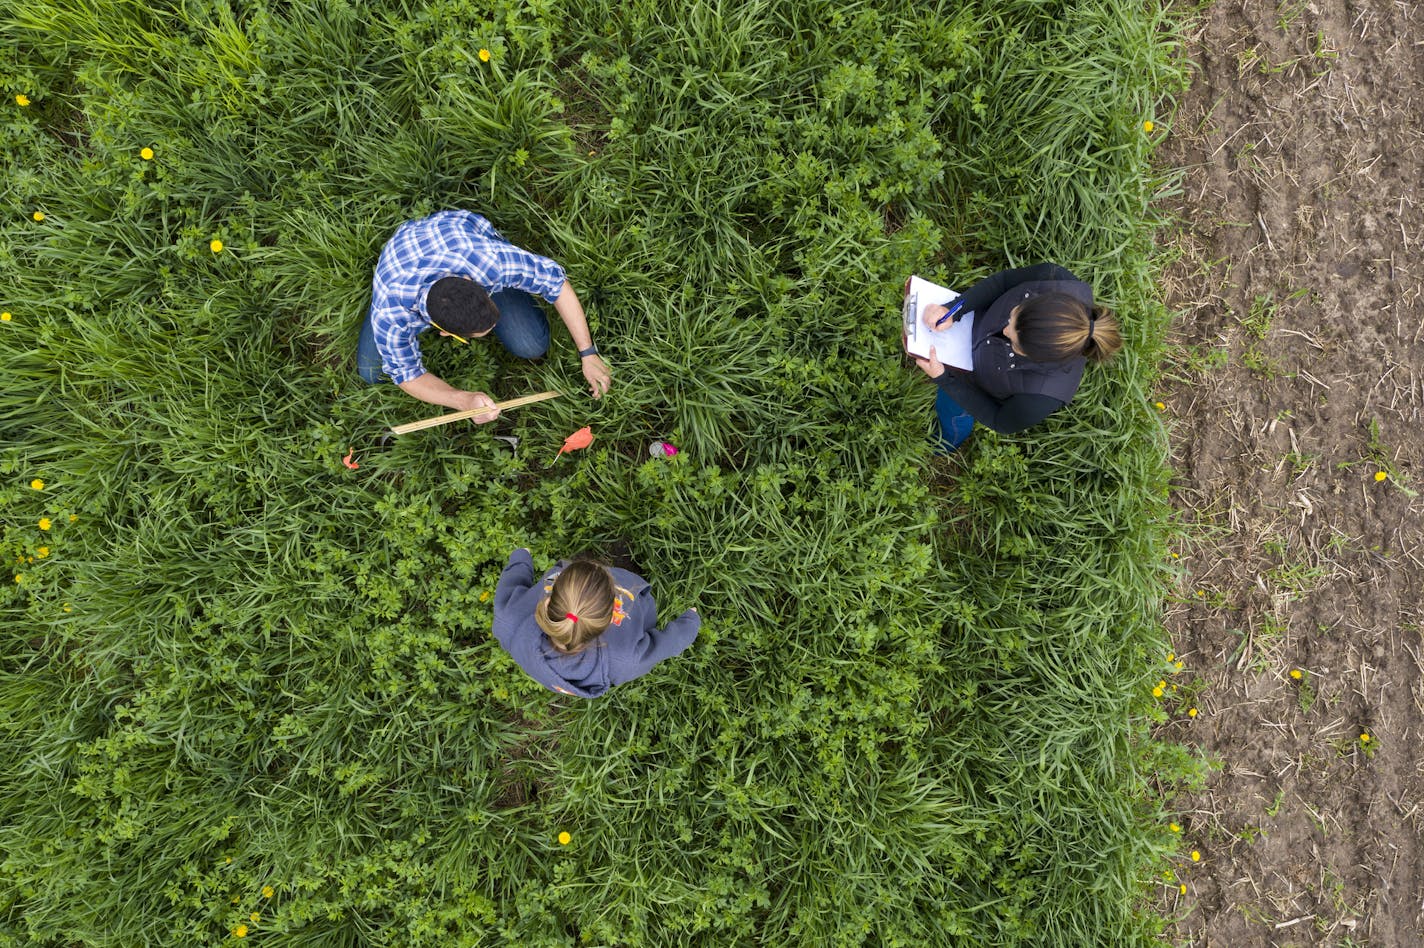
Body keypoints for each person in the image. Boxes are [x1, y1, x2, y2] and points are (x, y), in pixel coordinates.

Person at [357, 210, 612, 419]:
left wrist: (587, 352)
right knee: (372, 372)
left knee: (530, 344)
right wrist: (462, 400)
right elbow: (407, 375)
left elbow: (555, 283)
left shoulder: (487, 260)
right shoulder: (392, 314)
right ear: (445, 333)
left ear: (474, 282)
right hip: (397, 270)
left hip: (455, 234)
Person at [907, 263, 1122, 449]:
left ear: (1037, 359)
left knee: (952, 412)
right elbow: (1004, 282)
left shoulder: (1041, 398)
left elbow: (998, 420)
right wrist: (955, 308)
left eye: (1014, 343)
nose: (1005, 330)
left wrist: (945, 379)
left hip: (972, 386)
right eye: (1014, 314)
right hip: (965, 331)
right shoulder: (1052, 278)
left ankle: (944, 443)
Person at [492, 549, 700, 698]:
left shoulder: (509, 622)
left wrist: (521, 557)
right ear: (614, 615)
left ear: (548, 600)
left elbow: (513, 582)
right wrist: (689, 622)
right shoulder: (624, 661)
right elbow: (665, 644)